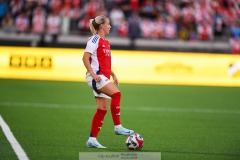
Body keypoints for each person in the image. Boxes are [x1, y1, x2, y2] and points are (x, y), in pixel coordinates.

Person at [82, 15, 134, 149]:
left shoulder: (106, 42)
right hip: (96, 77)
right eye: (108, 24)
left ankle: (92, 140)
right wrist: (93, 74)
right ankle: (118, 127)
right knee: (117, 94)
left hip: (103, 76)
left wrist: (113, 74)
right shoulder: (94, 39)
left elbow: (103, 63)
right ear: (101, 26)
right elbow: (85, 58)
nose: (110, 26)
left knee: (102, 109)